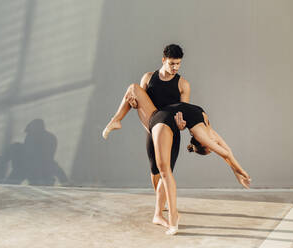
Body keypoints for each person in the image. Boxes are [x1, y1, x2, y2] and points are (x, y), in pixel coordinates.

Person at [102, 83, 251, 235]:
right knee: (165, 173)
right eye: (211, 147)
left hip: (159, 118)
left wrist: (237, 171)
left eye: (210, 147)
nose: (213, 145)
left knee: (164, 173)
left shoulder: (206, 126)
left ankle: (161, 215)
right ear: (203, 144)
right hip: (159, 120)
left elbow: (227, 152)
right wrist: (240, 171)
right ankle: (172, 217)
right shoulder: (203, 134)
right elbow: (226, 153)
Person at [128, 44, 190, 229]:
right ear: (163, 60)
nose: (175, 68)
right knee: (155, 171)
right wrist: (132, 103)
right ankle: (160, 202)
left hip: (171, 132)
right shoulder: (148, 78)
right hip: (152, 130)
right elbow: (140, 103)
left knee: (166, 172)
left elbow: (183, 110)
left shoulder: (183, 84)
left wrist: (182, 123)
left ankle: (159, 210)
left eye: (178, 64)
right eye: (172, 63)